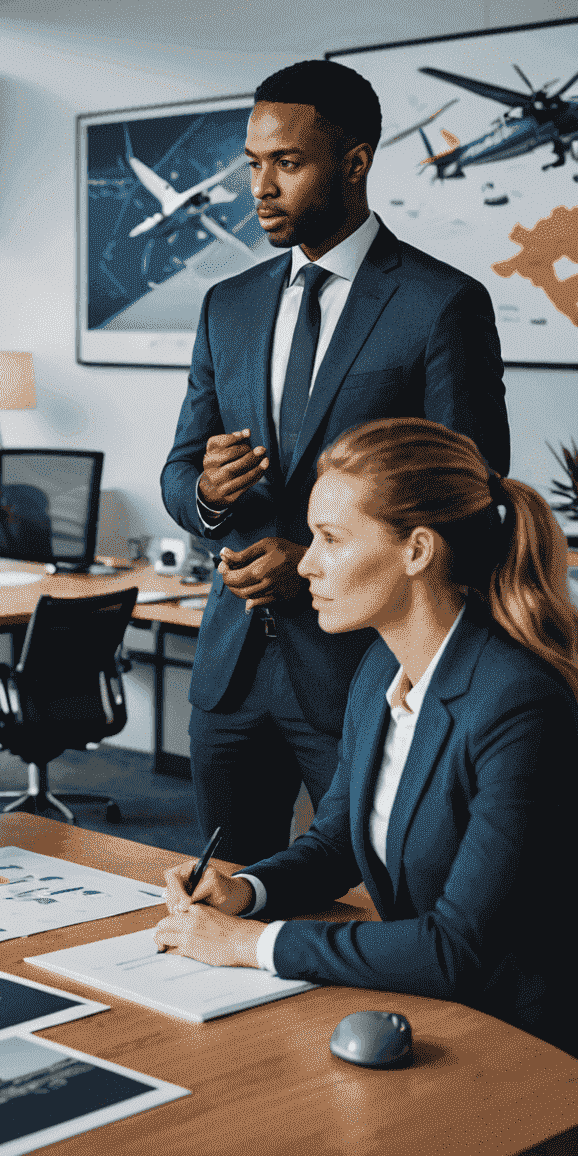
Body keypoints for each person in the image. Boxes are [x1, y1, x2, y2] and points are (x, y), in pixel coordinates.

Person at [161, 58, 508, 867]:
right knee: (229, 888)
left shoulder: (440, 304)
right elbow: (180, 471)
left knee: (382, 884)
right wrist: (209, 496)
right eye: (253, 163)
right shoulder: (229, 304)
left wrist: (322, 559)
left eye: (287, 163)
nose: (261, 186)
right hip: (231, 670)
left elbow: (471, 495)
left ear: (355, 162)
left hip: (364, 667)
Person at [154, 418, 578, 1055]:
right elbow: (336, 842)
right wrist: (247, 890)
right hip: (436, 1008)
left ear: (416, 552)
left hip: (529, 1039)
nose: (309, 563)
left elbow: (454, 948)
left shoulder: (520, 705)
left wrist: (247, 945)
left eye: (329, 538)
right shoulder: (381, 665)